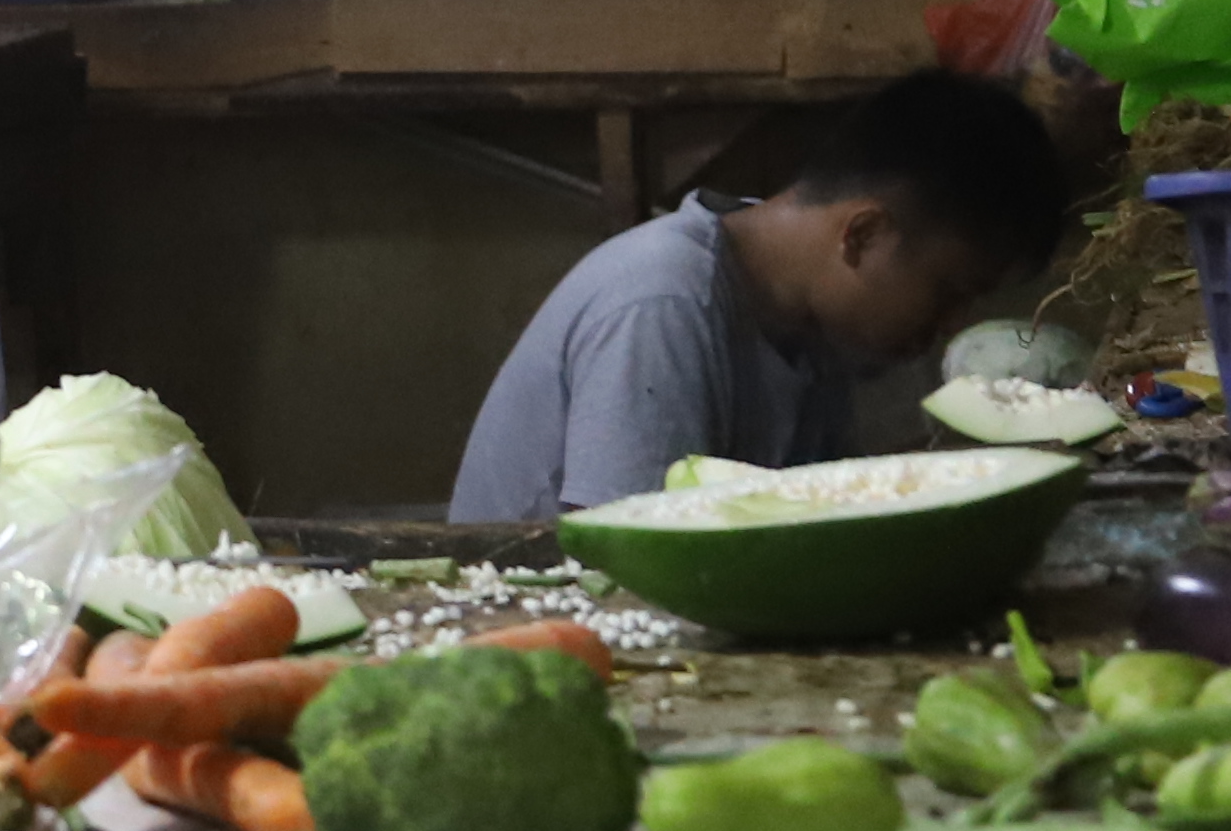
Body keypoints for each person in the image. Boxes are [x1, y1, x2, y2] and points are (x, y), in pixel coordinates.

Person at [448, 68, 1077, 523]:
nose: (953, 324)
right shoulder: (662, 303)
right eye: (949, 292)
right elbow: (627, 567)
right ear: (862, 234)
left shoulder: (812, 327)